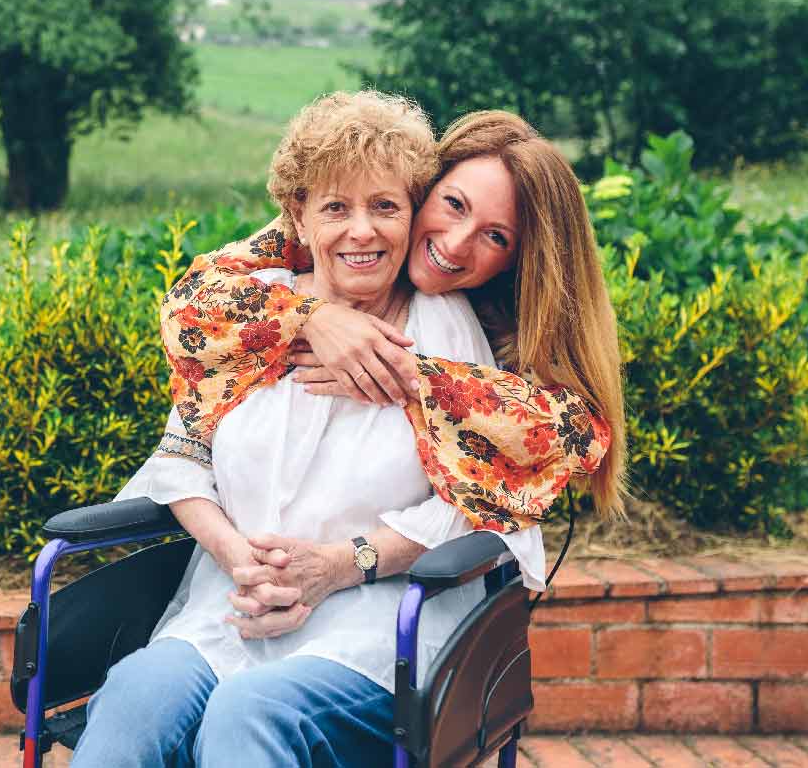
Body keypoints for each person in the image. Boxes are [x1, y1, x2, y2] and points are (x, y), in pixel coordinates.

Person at [70, 92, 570, 767]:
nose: (360, 231)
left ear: (408, 213)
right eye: (336, 207)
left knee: (252, 715)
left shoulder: (443, 330)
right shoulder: (248, 314)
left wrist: (339, 565)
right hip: (228, 607)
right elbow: (181, 456)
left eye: (385, 206)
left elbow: (471, 506)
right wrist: (236, 558)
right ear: (298, 218)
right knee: (134, 697)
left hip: (372, 630)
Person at [161, 107, 625, 531]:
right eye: (454, 205)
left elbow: (576, 433)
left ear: (519, 261)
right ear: (423, 191)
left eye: (496, 237)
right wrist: (311, 318)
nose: (456, 244)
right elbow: (191, 298)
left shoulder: (485, 315)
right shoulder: (308, 240)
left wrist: (415, 377)